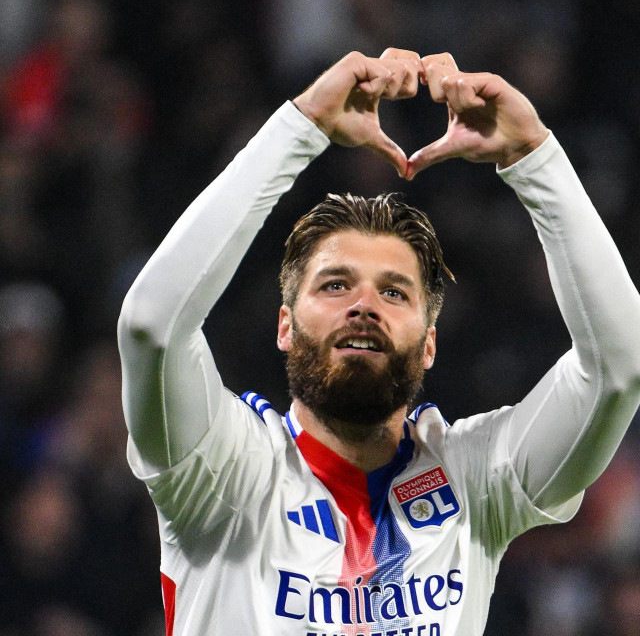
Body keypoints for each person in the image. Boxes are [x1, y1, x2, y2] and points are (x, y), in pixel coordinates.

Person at [117, 48, 640, 636]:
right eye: (336, 285)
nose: (363, 304)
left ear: (430, 344)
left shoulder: (474, 482)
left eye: (394, 292)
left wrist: (534, 157)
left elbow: (620, 366)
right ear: (285, 326)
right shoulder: (223, 473)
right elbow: (151, 327)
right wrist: (301, 125)